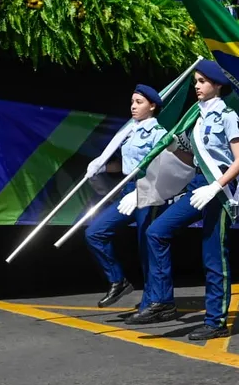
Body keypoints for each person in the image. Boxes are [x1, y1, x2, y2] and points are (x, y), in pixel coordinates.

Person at [126, 60, 239, 342]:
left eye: (202, 81)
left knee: (213, 255)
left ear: (217, 85)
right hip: (198, 184)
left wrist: (216, 186)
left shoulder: (227, 116)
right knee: (156, 232)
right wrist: (170, 148)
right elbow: (190, 157)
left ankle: (216, 321)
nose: (197, 86)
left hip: (218, 188)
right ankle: (161, 301)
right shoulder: (195, 116)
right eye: (195, 81)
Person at [84, 84, 168, 308]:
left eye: (139, 102)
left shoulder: (159, 134)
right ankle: (118, 281)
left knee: (148, 248)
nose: (133, 106)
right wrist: (102, 167)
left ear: (152, 106)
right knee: (95, 233)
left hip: (148, 191)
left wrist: (142, 190)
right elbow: (127, 164)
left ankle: (154, 303)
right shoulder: (130, 131)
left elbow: (161, 169)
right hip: (128, 190)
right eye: (132, 102)